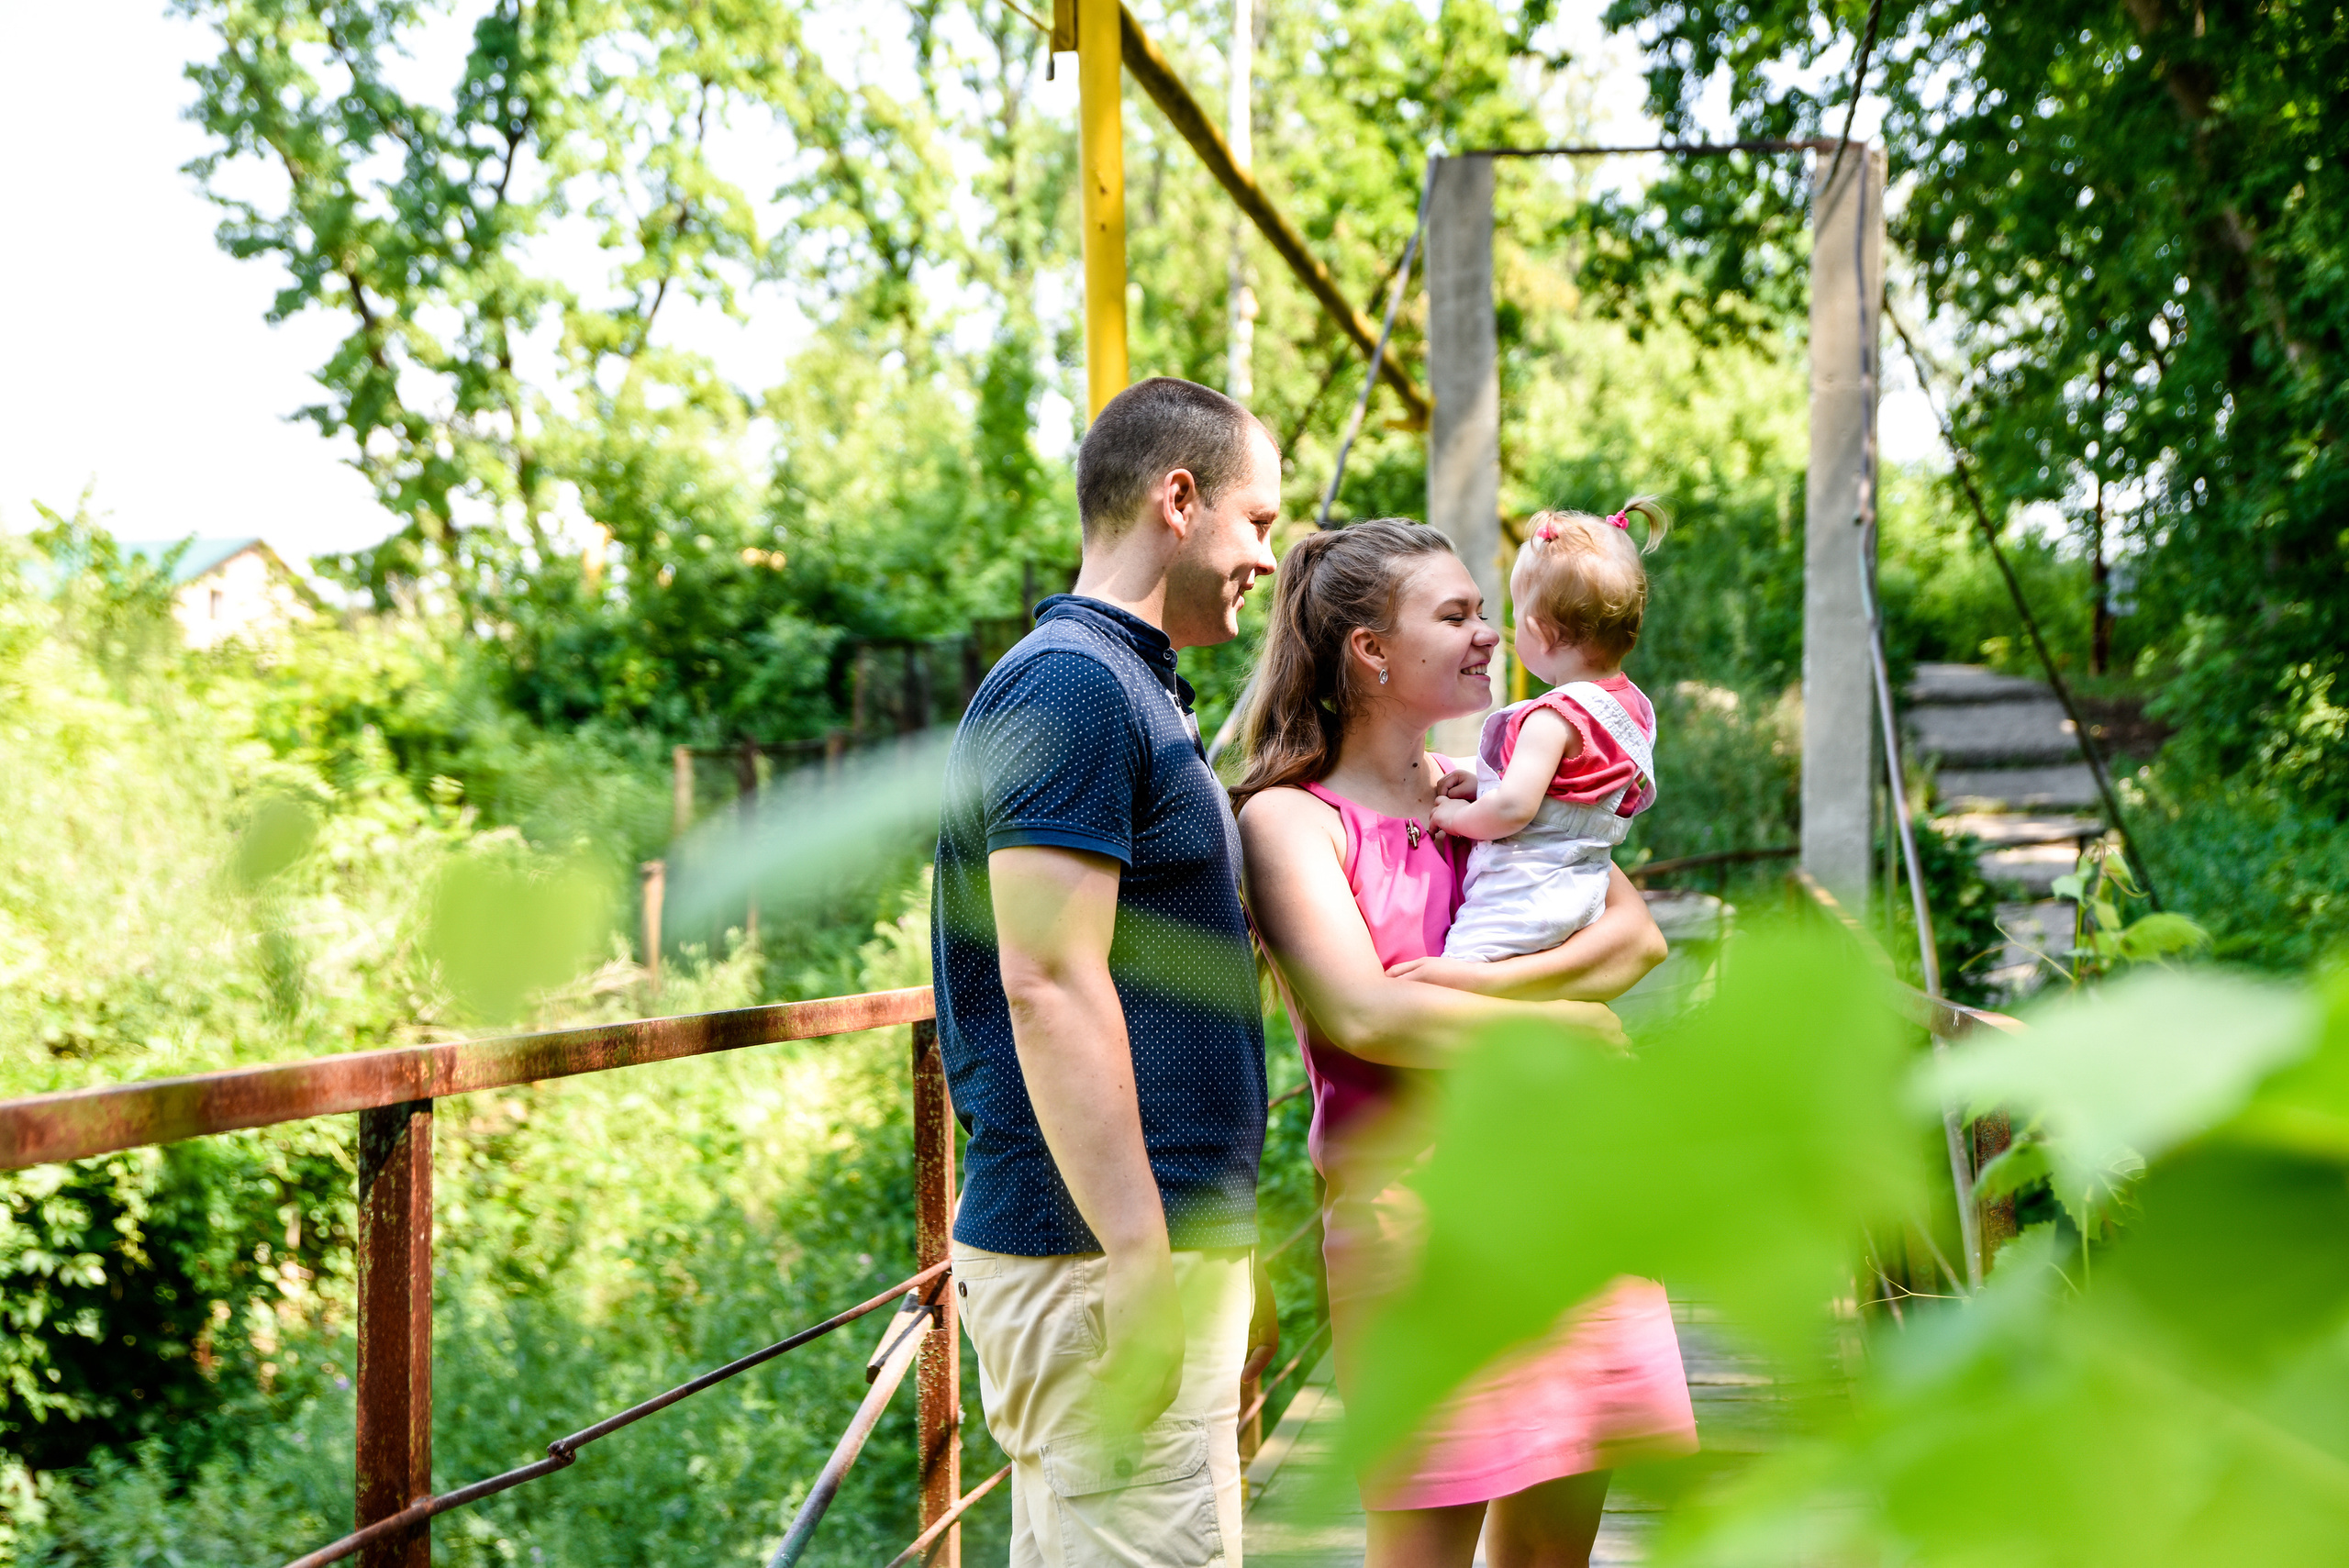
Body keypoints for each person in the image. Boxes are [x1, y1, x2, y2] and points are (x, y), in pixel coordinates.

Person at [1233, 519, 1695, 1568]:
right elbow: (1368, 1016)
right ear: (1371, 650)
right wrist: (1564, 1021)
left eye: (1485, 610)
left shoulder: (1482, 793)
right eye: (1455, 615)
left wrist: (1491, 990)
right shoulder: (1291, 822)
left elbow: (1634, 936)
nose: (1490, 633)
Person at [931, 376, 1284, 1568]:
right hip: (1097, 1257)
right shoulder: (1075, 685)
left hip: (1140, 1249)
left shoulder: (1125, 683)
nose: (1267, 559)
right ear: (1178, 500)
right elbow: (1046, 977)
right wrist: (1140, 1255)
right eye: (1258, 522)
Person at [1420, 499, 1671, 967]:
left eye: (1515, 616)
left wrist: (1457, 817)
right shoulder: (1631, 708)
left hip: (1526, 892)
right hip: (1583, 890)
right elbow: (1566, 788)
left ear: (1538, 631)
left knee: (1457, 974)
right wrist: (1485, 784)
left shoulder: (1552, 718)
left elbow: (1515, 808)